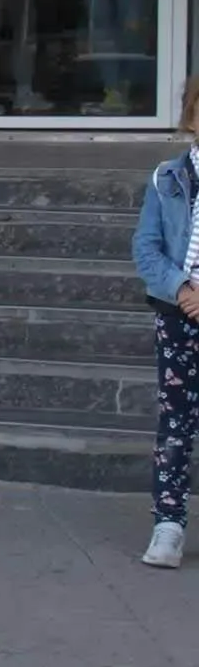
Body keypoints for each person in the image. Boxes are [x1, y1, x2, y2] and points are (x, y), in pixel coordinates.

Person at [130, 74, 199, 569]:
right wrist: (181, 289)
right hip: (181, 315)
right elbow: (146, 249)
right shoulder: (168, 178)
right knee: (176, 423)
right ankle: (168, 524)